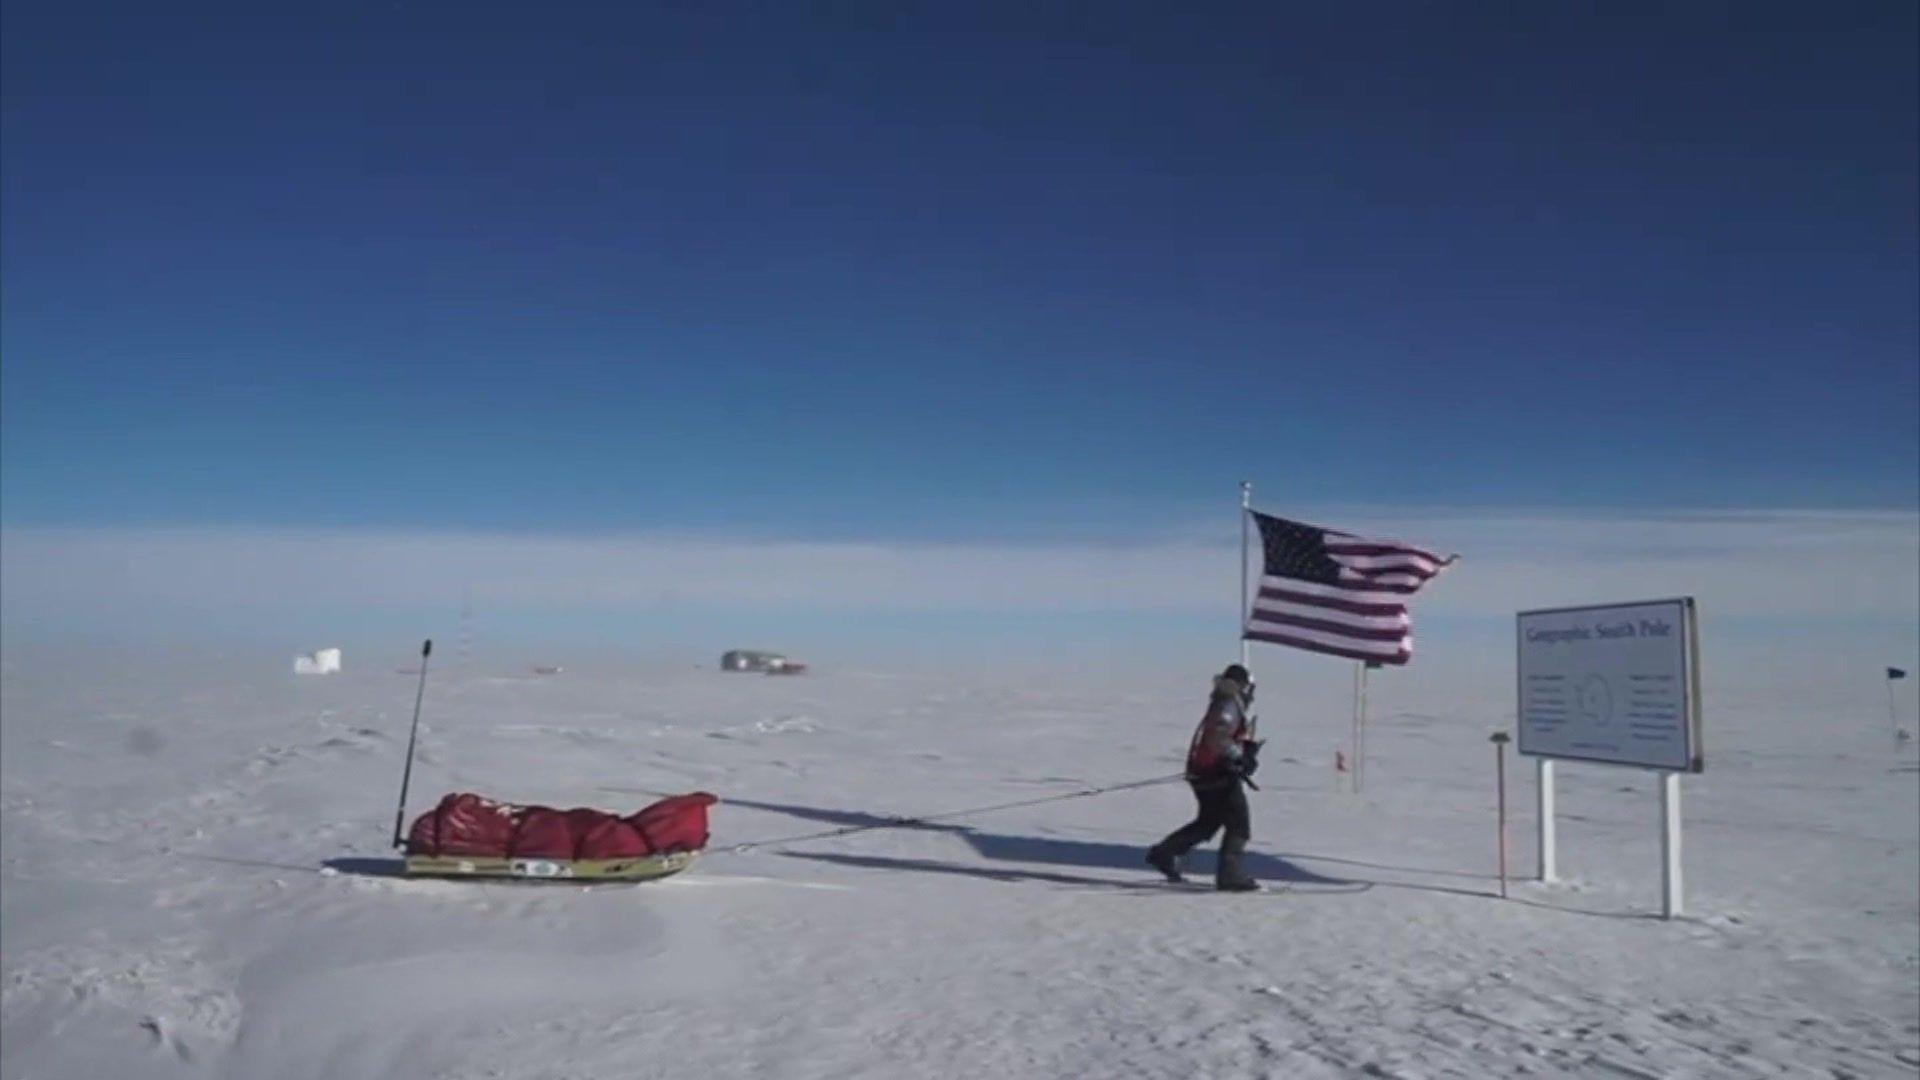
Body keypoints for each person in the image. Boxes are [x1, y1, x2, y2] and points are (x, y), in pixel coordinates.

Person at [1146, 663, 1262, 891]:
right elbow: (1218, 736)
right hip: (1216, 773)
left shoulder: (1225, 701)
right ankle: (1231, 876)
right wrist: (1239, 756)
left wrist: (1244, 750)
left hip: (1206, 772)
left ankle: (1165, 853)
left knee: (1208, 823)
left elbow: (1222, 735)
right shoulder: (1229, 703)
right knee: (1239, 825)